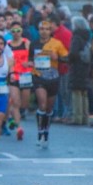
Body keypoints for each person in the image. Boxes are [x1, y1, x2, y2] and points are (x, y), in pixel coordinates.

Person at [29, 20, 68, 148]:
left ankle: (46, 132)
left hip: (53, 78)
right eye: (41, 29)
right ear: (38, 30)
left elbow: (67, 58)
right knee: (42, 104)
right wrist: (29, 64)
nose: (44, 31)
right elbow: (30, 60)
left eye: (46, 29)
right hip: (39, 77)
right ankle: (39, 132)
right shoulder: (34, 44)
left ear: (50, 31)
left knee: (49, 109)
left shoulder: (57, 44)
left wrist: (57, 57)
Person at [8, 21, 31, 140]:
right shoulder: (7, 45)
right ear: (10, 32)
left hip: (25, 75)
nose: (16, 33)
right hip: (13, 75)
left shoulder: (26, 43)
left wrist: (30, 63)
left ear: (21, 31)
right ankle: (19, 128)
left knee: (24, 104)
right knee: (16, 102)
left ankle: (13, 117)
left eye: (18, 31)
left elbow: (33, 57)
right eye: (14, 31)